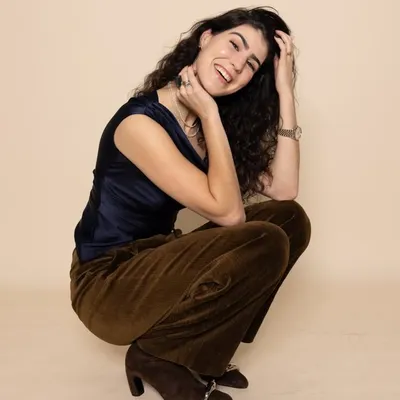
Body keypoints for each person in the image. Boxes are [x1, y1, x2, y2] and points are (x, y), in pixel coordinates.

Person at [69, 6, 311, 400]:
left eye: (251, 64)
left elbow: (285, 189)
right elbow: (231, 215)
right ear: (205, 38)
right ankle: (158, 356)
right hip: (107, 286)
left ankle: (201, 354)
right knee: (264, 239)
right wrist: (211, 114)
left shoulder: (205, 126)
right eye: (234, 45)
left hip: (156, 264)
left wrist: (285, 92)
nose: (237, 65)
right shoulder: (140, 123)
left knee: (289, 220)